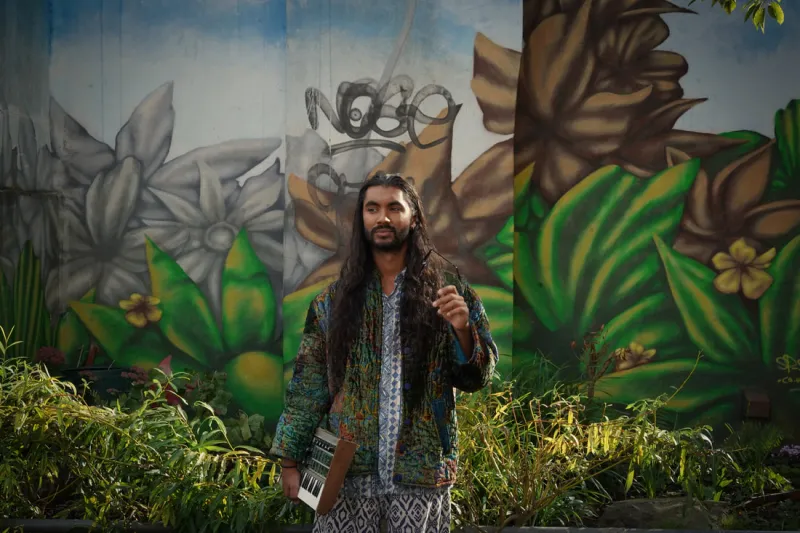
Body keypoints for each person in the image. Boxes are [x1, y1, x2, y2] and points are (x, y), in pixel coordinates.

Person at [270, 172, 498, 533]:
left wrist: (462, 330)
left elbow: (476, 379)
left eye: (395, 208)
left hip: (420, 474)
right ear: (362, 219)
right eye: (372, 208)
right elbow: (308, 388)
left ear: (414, 218)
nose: (383, 217)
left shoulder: (448, 293)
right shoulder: (332, 303)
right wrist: (289, 461)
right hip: (347, 476)